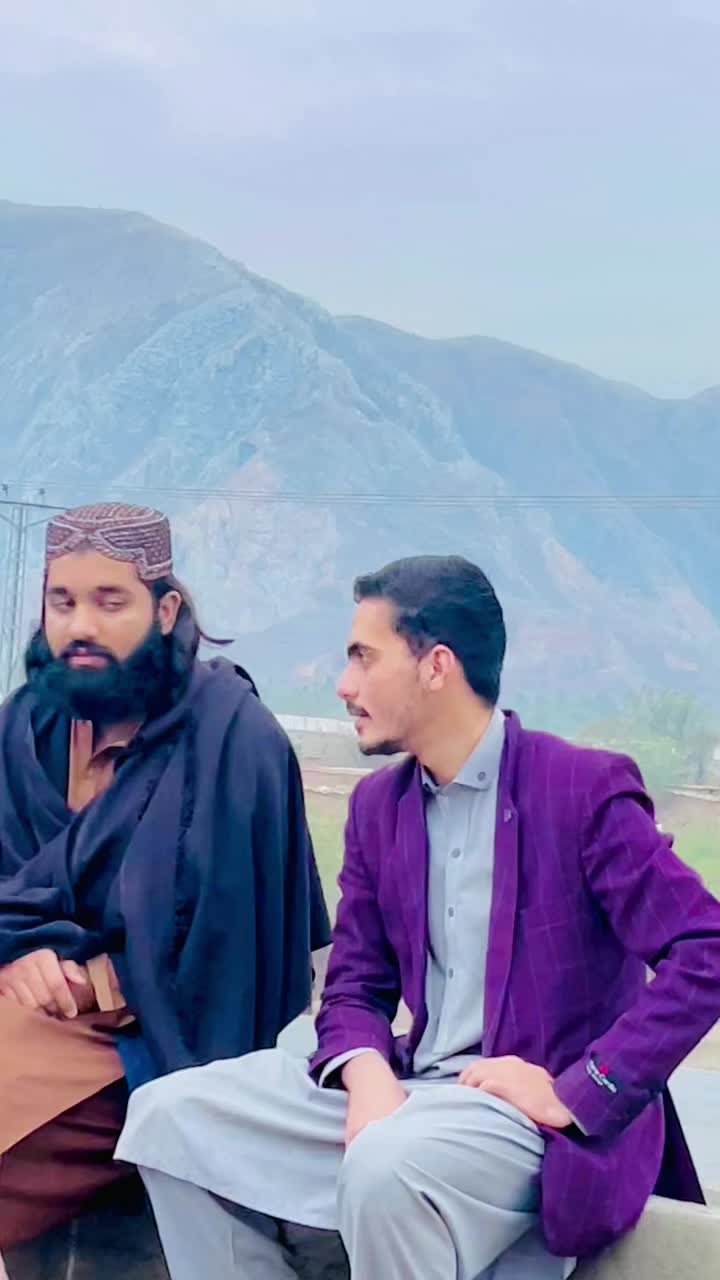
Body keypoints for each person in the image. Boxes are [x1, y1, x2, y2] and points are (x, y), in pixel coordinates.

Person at [117, 554, 720, 1280]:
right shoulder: (378, 809)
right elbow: (353, 987)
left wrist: (578, 1088)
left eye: (363, 658)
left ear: (436, 666)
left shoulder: (580, 789)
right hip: (412, 1094)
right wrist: (367, 1073)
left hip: (523, 1122)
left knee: (384, 1164)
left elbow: (706, 949)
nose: (344, 685)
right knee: (167, 1117)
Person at [0, 501, 329, 1254]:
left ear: (166, 609)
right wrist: (17, 953)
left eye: (110, 602)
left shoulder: (233, 742)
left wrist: (89, 982)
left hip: (152, 1039)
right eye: (62, 602)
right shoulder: (24, 729)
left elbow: (227, 953)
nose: (81, 626)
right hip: (20, 1000)